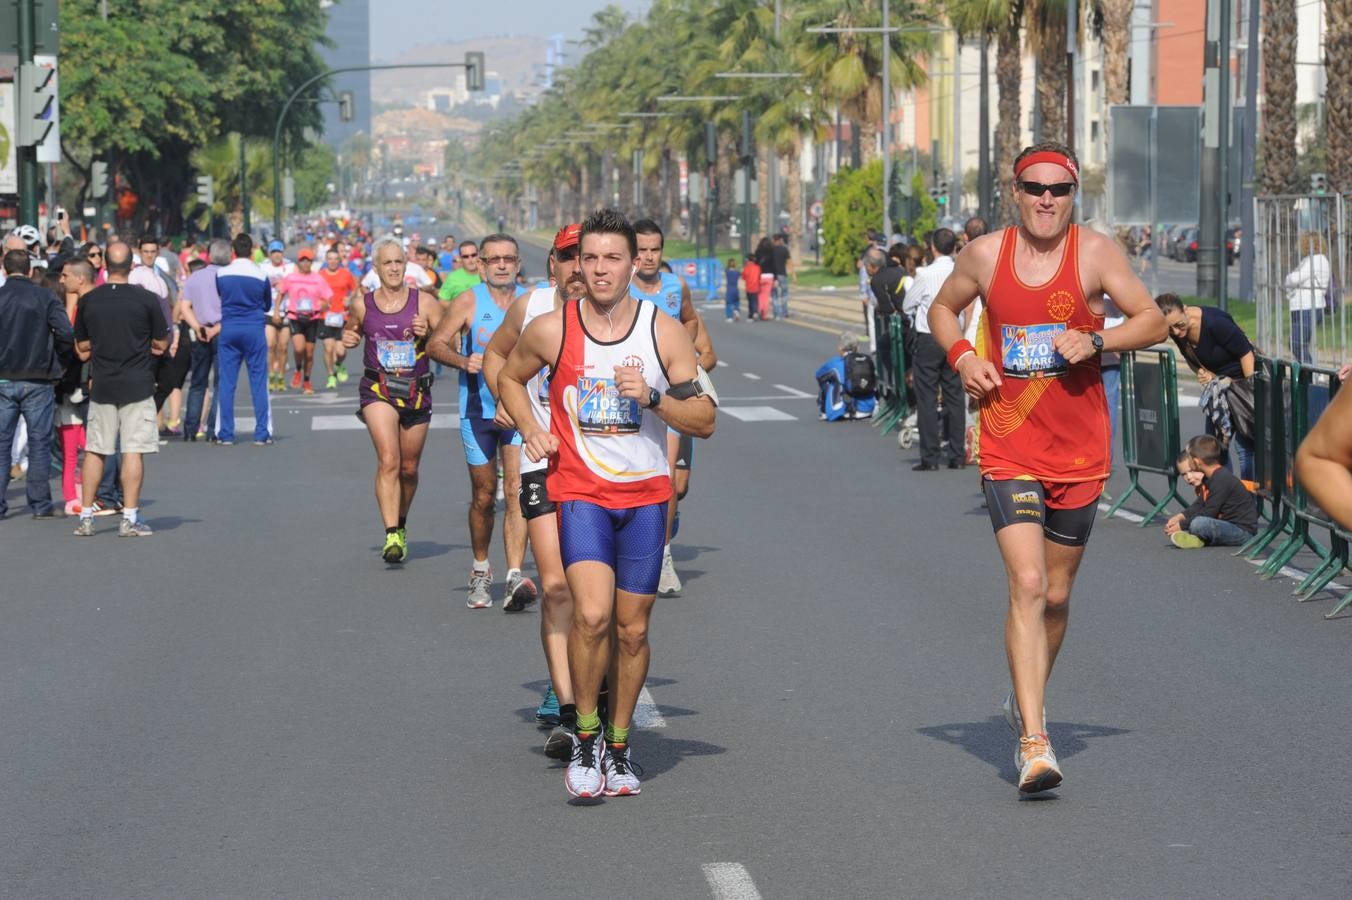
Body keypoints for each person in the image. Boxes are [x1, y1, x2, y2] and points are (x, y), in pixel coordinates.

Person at [927, 141, 1166, 794]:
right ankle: (1034, 741)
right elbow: (941, 309)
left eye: (1058, 189)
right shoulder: (986, 255)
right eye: (1034, 187)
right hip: (1009, 444)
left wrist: (1097, 338)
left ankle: (1024, 694)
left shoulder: (1095, 254)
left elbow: (1152, 320)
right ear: (1015, 191)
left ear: (1072, 194)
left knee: (1057, 595)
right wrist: (963, 357)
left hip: (1079, 451)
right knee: (1028, 582)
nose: (1046, 199)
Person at [498, 208, 717, 799]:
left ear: (632, 263)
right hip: (582, 493)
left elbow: (705, 419)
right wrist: (531, 427)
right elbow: (510, 377)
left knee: (632, 631)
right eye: (589, 257)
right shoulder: (553, 329)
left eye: (612, 258)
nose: (599, 269)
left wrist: (653, 398)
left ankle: (619, 748)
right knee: (591, 616)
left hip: (645, 499)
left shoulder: (662, 330)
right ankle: (586, 737)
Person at [484, 223, 587, 756]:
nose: (579, 268)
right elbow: (495, 358)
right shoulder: (532, 308)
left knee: (595, 593)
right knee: (556, 586)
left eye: (587, 256)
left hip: (602, 470)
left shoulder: (619, 315)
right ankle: (565, 701)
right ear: (553, 263)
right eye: (568, 257)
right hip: (541, 461)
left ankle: (591, 685)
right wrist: (513, 407)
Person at [427, 233, 535, 609]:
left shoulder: (531, 303)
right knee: (485, 495)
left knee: (517, 490)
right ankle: (480, 568)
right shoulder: (469, 301)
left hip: (519, 412)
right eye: (494, 259)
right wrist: (464, 361)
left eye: (509, 259)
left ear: (518, 264)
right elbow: (435, 344)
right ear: (481, 265)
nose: (502, 265)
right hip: (478, 412)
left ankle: (515, 575)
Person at [341, 236, 442, 563]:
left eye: (399, 262)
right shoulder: (362, 304)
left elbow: (449, 342)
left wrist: (429, 333)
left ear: (406, 265)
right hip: (378, 389)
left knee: (409, 469)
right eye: (388, 263)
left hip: (416, 390)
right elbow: (350, 332)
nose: (394, 268)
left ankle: (401, 522)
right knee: (389, 460)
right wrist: (348, 338)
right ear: (376, 268)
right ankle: (391, 535)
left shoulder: (425, 302)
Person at [71, 242, 170, 536]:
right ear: (131, 266)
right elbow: (161, 343)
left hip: (102, 383)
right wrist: (146, 345)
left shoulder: (89, 300)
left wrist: (99, 344)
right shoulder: (147, 299)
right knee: (133, 451)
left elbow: (82, 348)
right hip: (137, 383)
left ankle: (86, 517)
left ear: (104, 265)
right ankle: (129, 517)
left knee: (96, 450)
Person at [629, 219, 705, 598]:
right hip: (632, 396)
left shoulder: (676, 287)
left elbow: (690, 320)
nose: (648, 257)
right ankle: (656, 553)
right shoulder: (621, 288)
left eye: (654, 250)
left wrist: (682, 350)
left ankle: (662, 547)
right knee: (653, 476)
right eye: (641, 250)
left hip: (672, 396)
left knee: (676, 483)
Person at [0, 247, 74, 519]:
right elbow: (65, 332)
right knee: (39, 442)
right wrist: (60, 361)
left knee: (2, 442)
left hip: (3, 377)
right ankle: (40, 504)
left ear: (5, 269)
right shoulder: (45, 297)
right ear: (30, 270)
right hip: (38, 377)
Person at [1156, 293, 1256, 481]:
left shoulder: (1214, 323)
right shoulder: (1178, 332)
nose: (1176, 332)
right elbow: (1190, 357)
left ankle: (1248, 496)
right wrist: (1202, 373)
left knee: (1244, 449)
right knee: (1213, 449)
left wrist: (1249, 391)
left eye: (1179, 325)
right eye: (1170, 329)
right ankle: (1223, 493)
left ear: (1185, 310)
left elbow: (1246, 353)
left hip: (1241, 386)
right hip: (1219, 391)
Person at [904, 228, 965, 470]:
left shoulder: (925, 274)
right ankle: (957, 455)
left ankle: (930, 456)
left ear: (933, 248)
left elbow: (907, 303)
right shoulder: (960, 270)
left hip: (929, 337)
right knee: (954, 396)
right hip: (955, 336)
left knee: (927, 397)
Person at [215, 233, 274, 445]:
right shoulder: (261, 274)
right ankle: (261, 433)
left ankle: (226, 434)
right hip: (253, 329)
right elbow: (267, 304)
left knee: (227, 382)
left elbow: (221, 295)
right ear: (252, 251)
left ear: (233, 251)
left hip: (229, 327)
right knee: (258, 382)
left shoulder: (221, 273)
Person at [1164, 435, 1258, 548]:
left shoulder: (1221, 480)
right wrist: (1180, 517)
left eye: (1189, 458)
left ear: (1196, 462)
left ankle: (1201, 538)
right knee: (1198, 523)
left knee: (1198, 524)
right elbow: (1199, 504)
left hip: (1242, 532)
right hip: (1227, 525)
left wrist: (1182, 525)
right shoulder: (1210, 478)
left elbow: (1209, 512)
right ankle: (1198, 539)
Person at [182, 240, 231, 441]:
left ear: (209, 256)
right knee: (220, 383)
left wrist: (197, 327)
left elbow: (185, 307)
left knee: (197, 382)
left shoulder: (196, 276)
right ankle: (213, 429)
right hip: (222, 331)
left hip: (200, 331)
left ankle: (190, 429)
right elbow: (232, 309)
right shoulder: (229, 277)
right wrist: (215, 329)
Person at [277, 248, 334, 395]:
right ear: (298, 262)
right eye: (302, 260)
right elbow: (281, 293)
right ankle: (297, 370)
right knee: (299, 348)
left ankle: (307, 381)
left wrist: (325, 305)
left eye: (308, 260)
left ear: (311, 262)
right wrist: (277, 312)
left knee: (309, 354)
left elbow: (329, 298)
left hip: (312, 318)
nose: (305, 263)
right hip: (295, 317)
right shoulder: (291, 278)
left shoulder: (317, 279)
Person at [1283, 231, 1331, 364]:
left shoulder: (1317, 260)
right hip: (1302, 307)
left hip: (1308, 308)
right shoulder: (1310, 260)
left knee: (1296, 344)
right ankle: (1307, 372)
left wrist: (1289, 278)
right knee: (1298, 344)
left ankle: (1310, 373)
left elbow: (1293, 279)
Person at [318, 247, 358, 388]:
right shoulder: (320, 275)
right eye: (330, 259)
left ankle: (339, 364)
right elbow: (314, 292)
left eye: (335, 259)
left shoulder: (346, 274)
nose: (333, 261)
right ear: (326, 260)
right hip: (325, 316)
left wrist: (350, 298)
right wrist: (319, 303)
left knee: (341, 351)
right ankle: (330, 376)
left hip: (342, 316)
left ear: (339, 260)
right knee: (328, 349)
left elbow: (355, 288)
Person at [260, 240, 295, 391]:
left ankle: (280, 376)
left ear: (282, 253)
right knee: (270, 345)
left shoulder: (290, 267)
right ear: (269, 253)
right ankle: (271, 375)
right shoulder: (263, 267)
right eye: (274, 252)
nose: (276, 255)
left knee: (283, 347)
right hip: (268, 310)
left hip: (285, 311)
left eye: (279, 252)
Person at [770, 232, 793, 320]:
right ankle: (784, 312)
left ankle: (776, 313)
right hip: (783, 274)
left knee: (774, 294)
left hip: (773, 276)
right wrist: (793, 274)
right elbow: (789, 262)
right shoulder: (784, 249)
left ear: (773, 240)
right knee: (784, 294)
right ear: (780, 240)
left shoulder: (770, 250)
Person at [740, 252, 762, 322]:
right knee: (755, 301)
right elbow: (759, 276)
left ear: (747, 259)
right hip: (756, 286)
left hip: (749, 287)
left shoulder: (746, 267)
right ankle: (755, 312)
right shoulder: (757, 267)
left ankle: (751, 315)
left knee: (750, 302)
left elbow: (743, 277)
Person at [723, 256, 740, 322]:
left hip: (730, 289)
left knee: (729, 303)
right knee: (736, 302)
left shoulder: (727, 272)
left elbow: (725, 269)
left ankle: (729, 317)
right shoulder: (737, 272)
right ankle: (736, 310)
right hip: (736, 289)